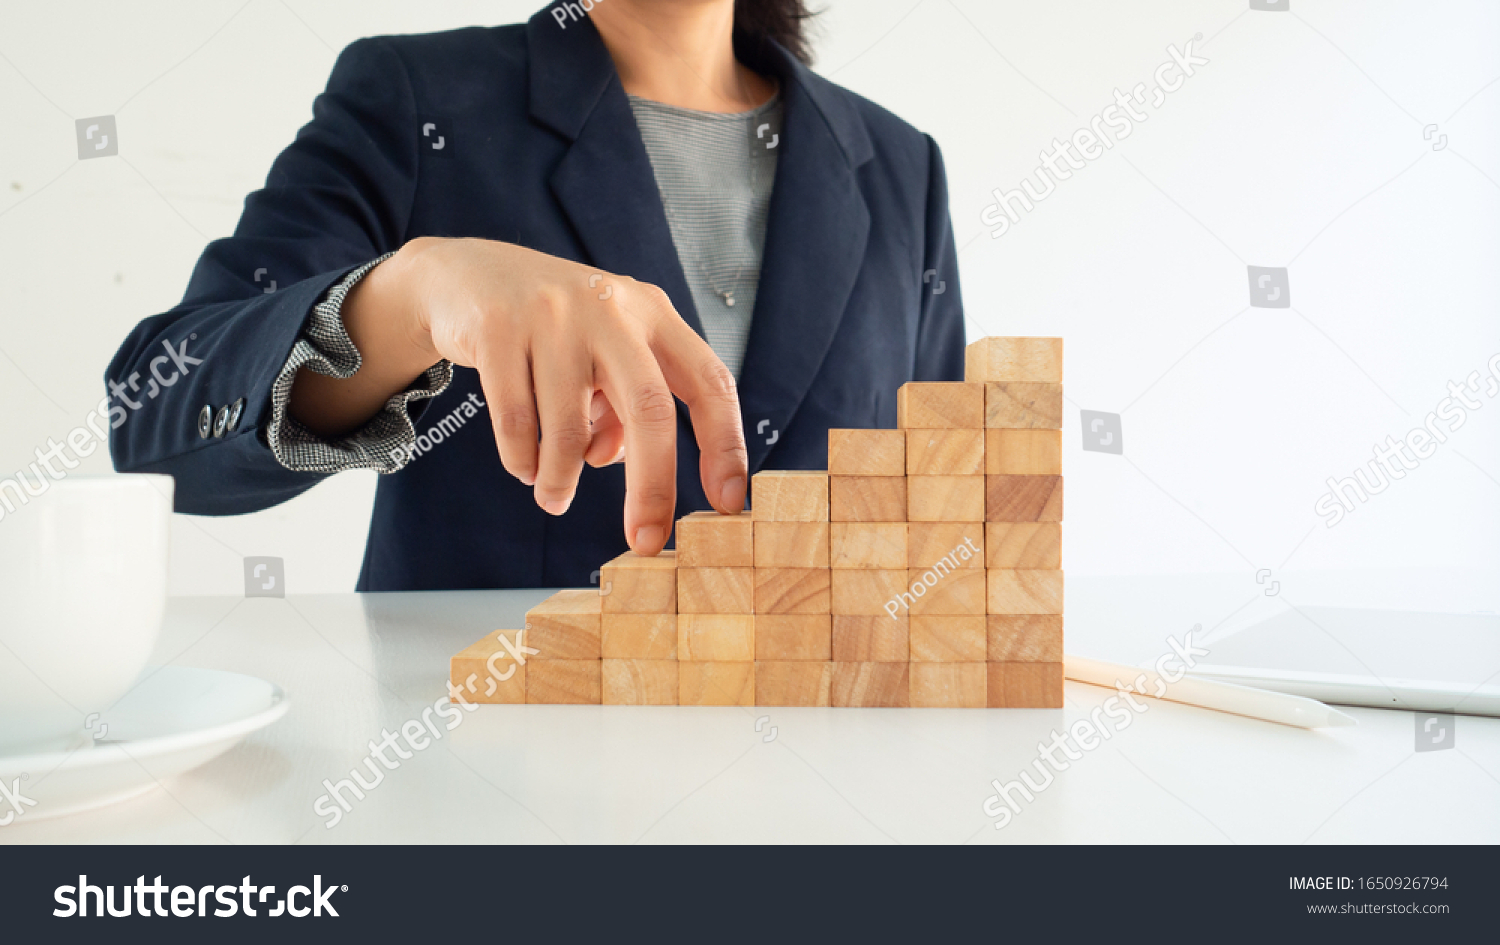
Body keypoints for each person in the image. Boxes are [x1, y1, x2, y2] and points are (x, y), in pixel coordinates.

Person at [105, 0, 964, 591]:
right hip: (495, 791)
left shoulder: (901, 166)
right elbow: (158, 423)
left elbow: (940, 519)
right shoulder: (416, 99)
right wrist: (410, 293)